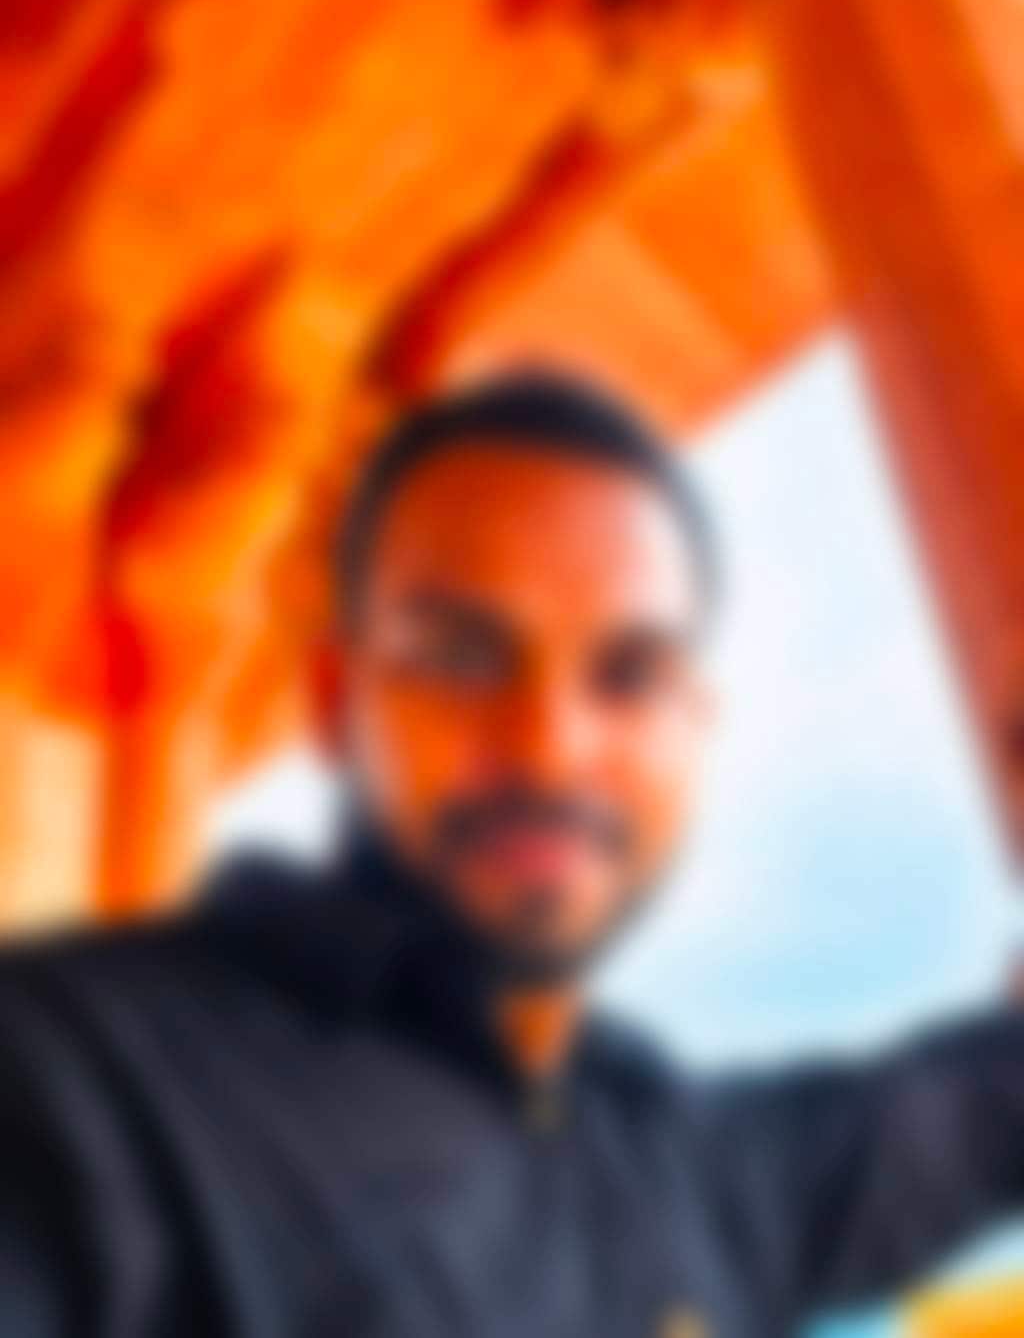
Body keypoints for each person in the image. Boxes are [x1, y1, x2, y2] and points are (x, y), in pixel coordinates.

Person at [1, 373, 1021, 1338]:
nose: (548, 747)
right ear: (334, 705)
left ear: (696, 731)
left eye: (629, 674)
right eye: (459, 656)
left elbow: (947, 1126)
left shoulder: (673, 1161)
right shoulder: (68, 1075)